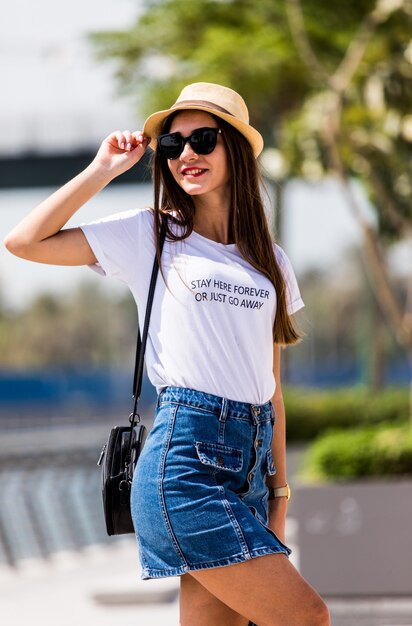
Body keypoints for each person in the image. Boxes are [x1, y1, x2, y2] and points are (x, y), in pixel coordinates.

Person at [4, 82, 330, 626]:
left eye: (203, 139)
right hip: (184, 463)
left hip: (247, 469)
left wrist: (279, 495)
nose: (187, 155)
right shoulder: (152, 234)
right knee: (306, 616)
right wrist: (104, 168)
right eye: (173, 145)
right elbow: (24, 241)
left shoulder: (270, 261)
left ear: (236, 149)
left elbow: (271, 386)